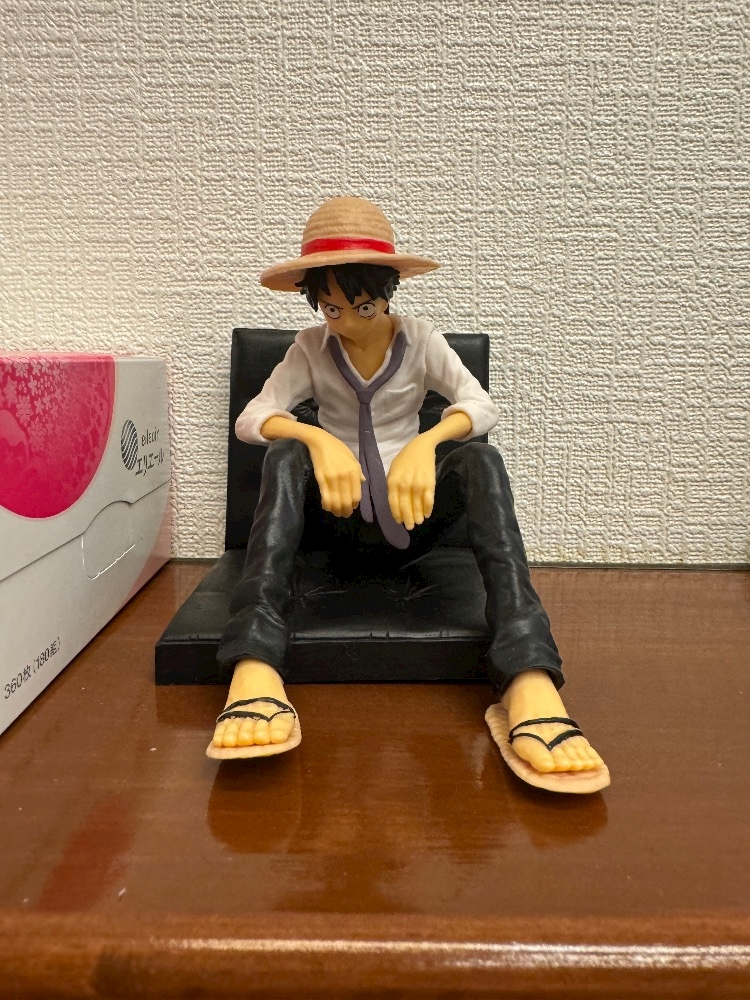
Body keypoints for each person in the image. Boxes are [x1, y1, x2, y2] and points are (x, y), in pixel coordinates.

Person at [208, 197, 609, 793]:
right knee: (284, 452)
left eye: (363, 306)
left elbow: (480, 405)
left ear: (389, 292)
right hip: (336, 522)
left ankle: (528, 671)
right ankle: (255, 661)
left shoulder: (421, 341)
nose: (347, 322)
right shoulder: (310, 348)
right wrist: (315, 436)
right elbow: (252, 418)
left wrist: (429, 441)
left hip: (411, 521)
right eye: (331, 308)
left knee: (482, 458)